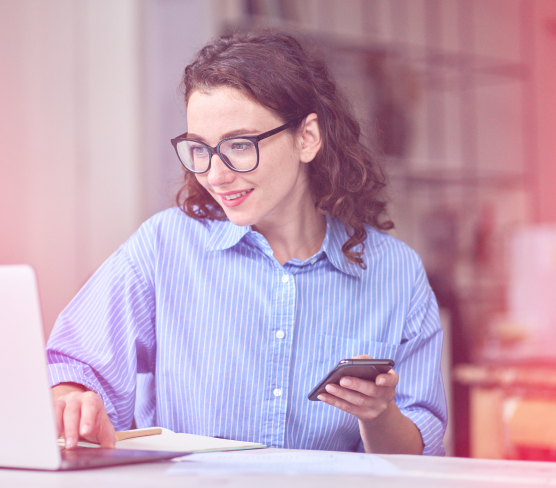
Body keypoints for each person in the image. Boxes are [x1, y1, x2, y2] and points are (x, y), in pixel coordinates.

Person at [46, 28, 447, 456]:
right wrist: (73, 398)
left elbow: (417, 459)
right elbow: (75, 366)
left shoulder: (396, 273)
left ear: (307, 138)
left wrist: (378, 414)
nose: (215, 174)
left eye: (239, 145)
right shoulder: (164, 246)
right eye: (199, 149)